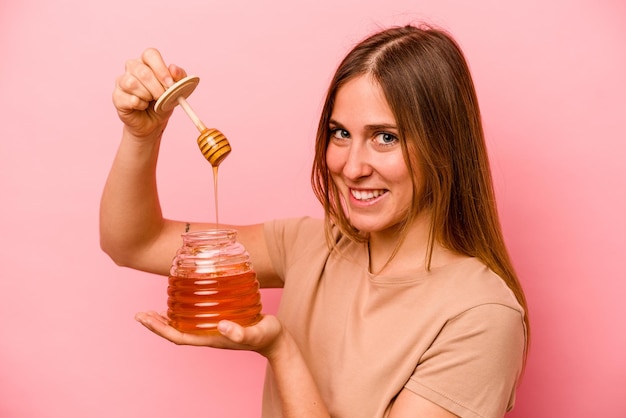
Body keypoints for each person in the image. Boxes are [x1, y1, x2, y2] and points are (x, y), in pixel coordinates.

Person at [101, 24, 529, 418]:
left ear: (444, 147)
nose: (352, 166)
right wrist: (142, 135)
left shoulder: (481, 317)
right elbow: (134, 243)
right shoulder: (312, 244)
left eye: (386, 137)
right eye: (340, 133)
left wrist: (282, 349)